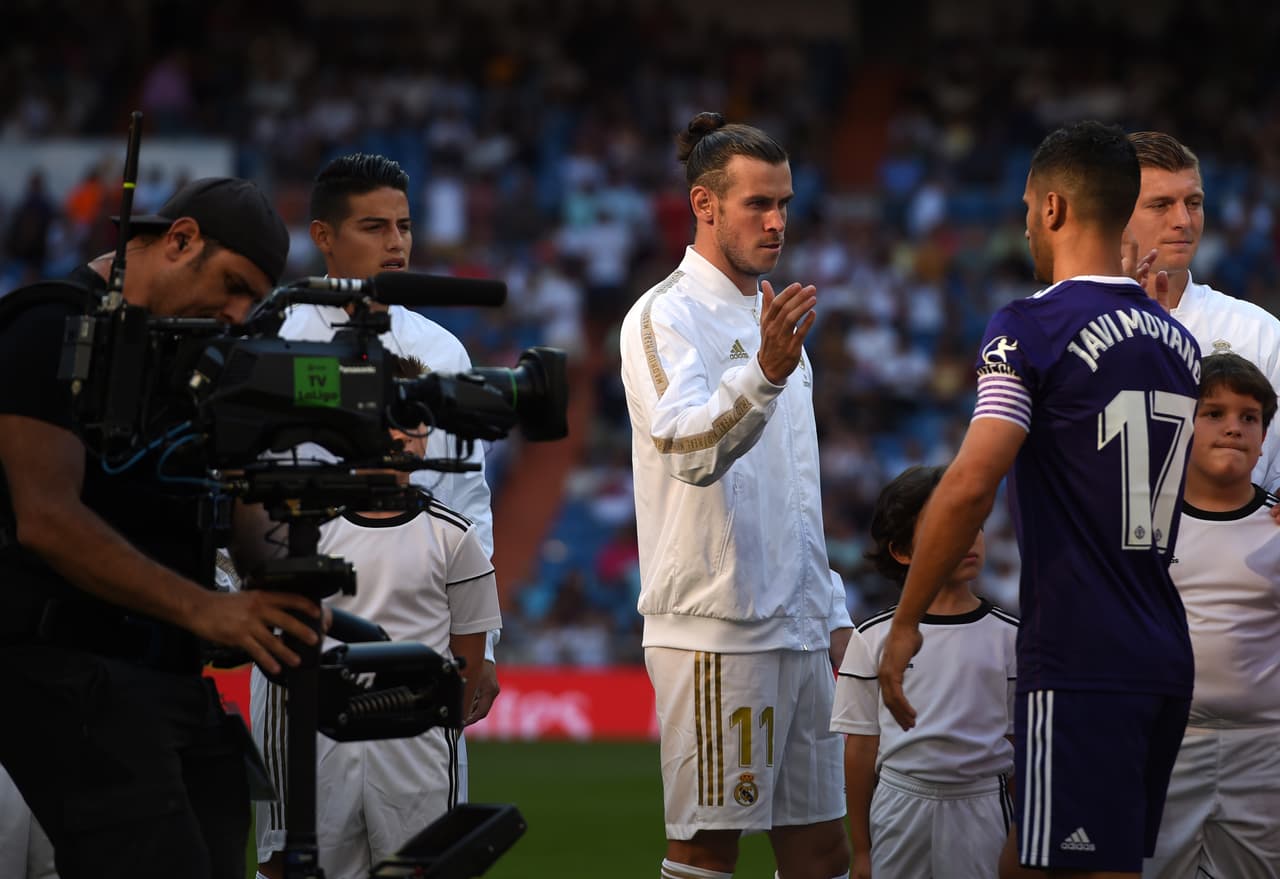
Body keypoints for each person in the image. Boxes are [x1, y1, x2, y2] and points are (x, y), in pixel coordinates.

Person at [877, 121, 1200, 879]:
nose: (1025, 223)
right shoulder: (1178, 341)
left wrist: (906, 619)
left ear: (1052, 208)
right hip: (1162, 644)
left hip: (1081, 652)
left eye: (1027, 208)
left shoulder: (1029, 327)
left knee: (1075, 868)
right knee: (1032, 860)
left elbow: (970, 482)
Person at [0, 177, 323, 879]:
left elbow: (236, 506)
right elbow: (46, 519)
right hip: (66, 675)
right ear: (179, 240)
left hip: (172, 682)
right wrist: (207, 608)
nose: (237, 315)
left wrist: (285, 575)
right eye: (232, 286)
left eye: (253, 302)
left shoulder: (196, 363)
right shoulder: (48, 327)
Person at [619, 111, 853, 879]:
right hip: (717, 629)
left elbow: (796, 491)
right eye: (758, 203)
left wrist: (830, 611)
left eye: (784, 203)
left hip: (797, 625)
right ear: (705, 204)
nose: (777, 221)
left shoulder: (771, 317)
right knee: (707, 850)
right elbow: (686, 450)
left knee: (823, 850)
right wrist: (765, 372)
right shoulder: (664, 315)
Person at [253, 152, 501, 875]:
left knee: (424, 860)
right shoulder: (273, 343)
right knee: (293, 858)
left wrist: (485, 645)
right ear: (323, 236)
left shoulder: (440, 350)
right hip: (300, 647)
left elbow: (467, 503)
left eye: (404, 226)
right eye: (374, 227)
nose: (396, 243)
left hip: (419, 656)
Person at [832, 465, 1017, 879]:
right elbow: (860, 749)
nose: (968, 537)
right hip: (898, 802)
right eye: (947, 525)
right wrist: (861, 850)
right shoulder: (872, 638)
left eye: (975, 524)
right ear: (902, 551)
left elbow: (1019, 748)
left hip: (983, 804)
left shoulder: (1012, 637)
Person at [1143, 353, 1280, 878]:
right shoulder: (1143, 528)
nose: (1234, 428)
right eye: (1214, 413)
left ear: (1264, 439)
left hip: (1264, 750)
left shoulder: (1275, 524)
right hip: (1164, 743)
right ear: (1182, 425)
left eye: (1250, 417)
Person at [1123, 130, 1280, 493]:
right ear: (1114, 215)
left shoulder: (1259, 333)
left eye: (1193, 202)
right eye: (1161, 205)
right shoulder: (1070, 327)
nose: (1184, 220)